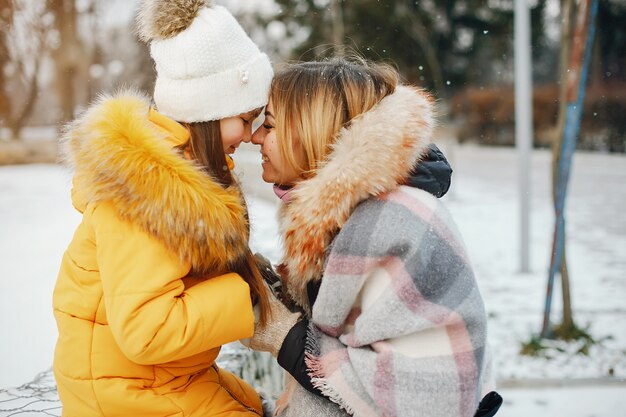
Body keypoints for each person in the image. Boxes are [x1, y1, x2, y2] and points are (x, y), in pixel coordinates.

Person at [243, 57, 501, 417]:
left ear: (313, 129)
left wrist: (282, 333)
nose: (255, 137)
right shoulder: (345, 215)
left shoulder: (388, 222)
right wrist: (272, 294)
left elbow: (426, 396)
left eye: (268, 125)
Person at [52, 0, 275, 415]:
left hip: (165, 376)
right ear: (209, 111)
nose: (249, 134)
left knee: (262, 405)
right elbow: (146, 332)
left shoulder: (186, 172)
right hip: (120, 393)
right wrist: (246, 296)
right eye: (244, 118)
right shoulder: (146, 194)